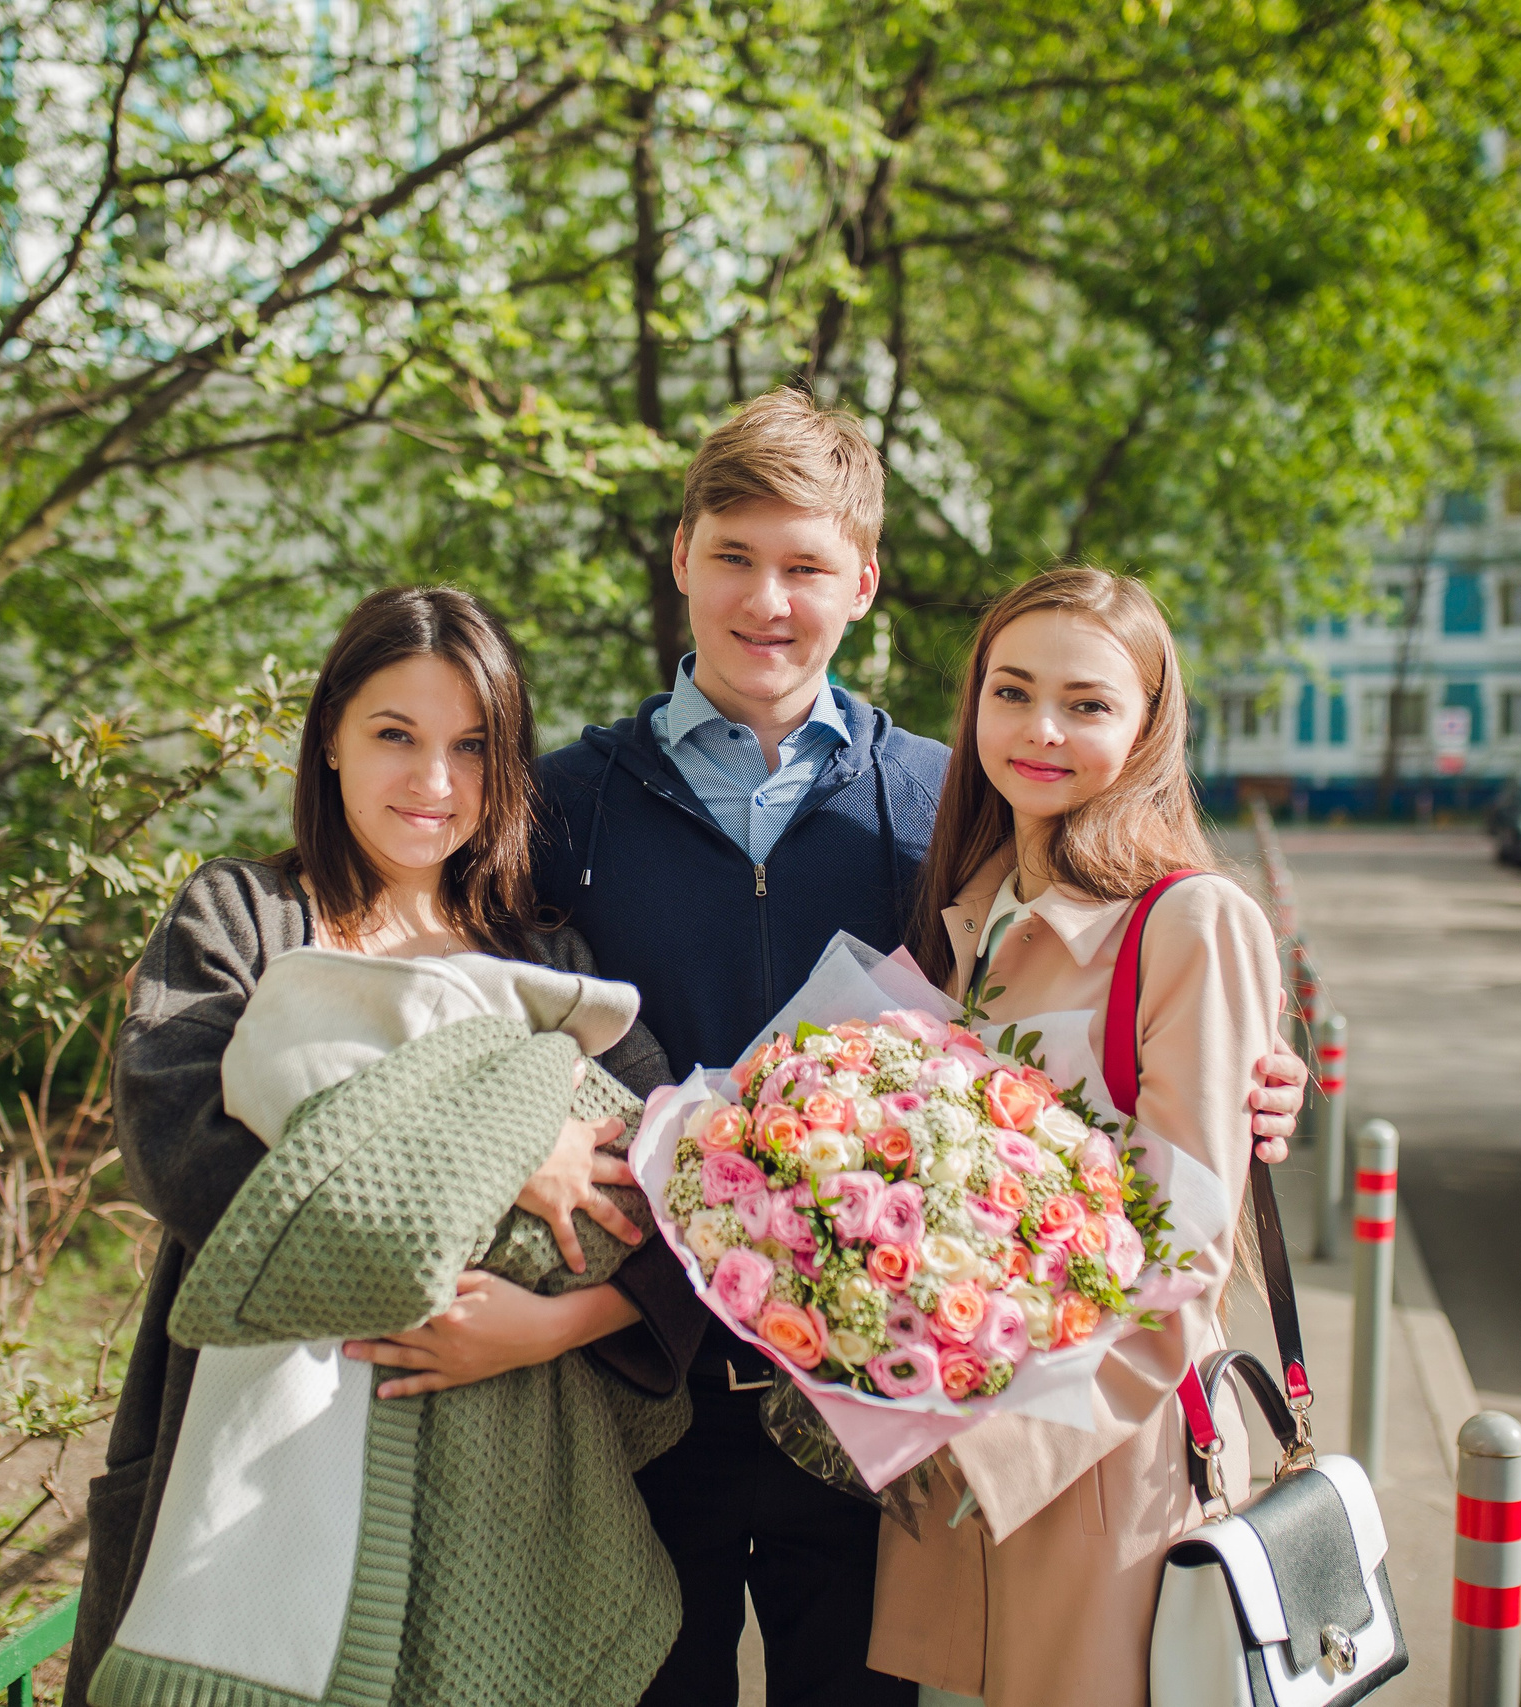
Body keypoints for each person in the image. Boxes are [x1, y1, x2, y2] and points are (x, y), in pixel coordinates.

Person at [509, 389, 1309, 1707]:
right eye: (736, 557)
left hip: (881, 1415)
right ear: (682, 556)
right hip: (638, 1388)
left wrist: (1256, 1094)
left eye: (809, 566)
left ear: (864, 581)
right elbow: (475, 1009)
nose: (770, 599)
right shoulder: (562, 806)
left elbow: (1109, 1048)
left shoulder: (952, 802)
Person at [67, 585, 706, 1707]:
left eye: (470, 747)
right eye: (394, 737)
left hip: (505, 1483)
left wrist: (551, 1323)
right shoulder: (243, 917)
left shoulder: (552, 960)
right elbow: (183, 1157)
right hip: (251, 1475)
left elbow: (682, 1198)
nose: (433, 782)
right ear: (329, 741)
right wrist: (505, 1150)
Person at [866, 564, 1280, 1707]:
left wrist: (990, 1445)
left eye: (1088, 704)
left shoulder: (1191, 922)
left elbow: (1180, 1248)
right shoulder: (971, 913)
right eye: (1011, 692)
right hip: (956, 1461)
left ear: (1148, 724)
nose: (1040, 730)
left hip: (1101, 1468)